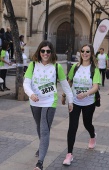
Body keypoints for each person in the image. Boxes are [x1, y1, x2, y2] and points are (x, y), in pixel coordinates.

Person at [23, 40, 73, 170]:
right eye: (43, 51)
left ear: (51, 53)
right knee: (39, 127)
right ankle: (42, 147)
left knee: (45, 130)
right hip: (34, 102)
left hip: (50, 102)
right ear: (39, 52)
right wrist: (30, 94)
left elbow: (65, 85)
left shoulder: (57, 67)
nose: (45, 53)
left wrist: (70, 100)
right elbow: (26, 83)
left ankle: (40, 162)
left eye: (48, 51)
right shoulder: (33, 65)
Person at [61, 44, 101, 166]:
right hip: (74, 102)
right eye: (82, 51)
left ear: (91, 53)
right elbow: (68, 81)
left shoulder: (95, 69)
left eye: (87, 51)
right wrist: (64, 95)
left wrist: (86, 94)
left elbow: (95, 87)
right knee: (72, 126)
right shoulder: (75, 67)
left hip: (89, 102)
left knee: (87, 123)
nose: (84, 53)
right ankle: (69, 154)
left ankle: (92, 134)